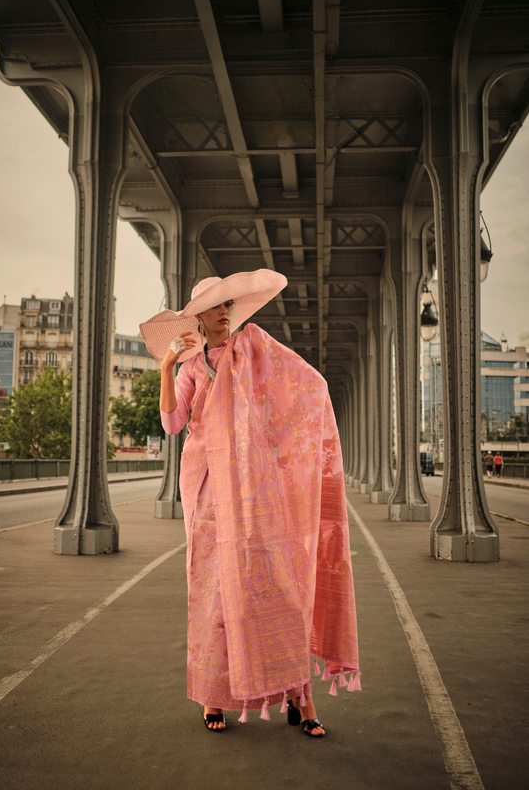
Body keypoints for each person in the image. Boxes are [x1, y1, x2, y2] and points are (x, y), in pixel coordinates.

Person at [140, 270, 360, 737]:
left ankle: (301, 699)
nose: (225, 312)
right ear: (197, 315)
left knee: (278, 585)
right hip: (208, 492)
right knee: (214, 594)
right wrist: (166, 368)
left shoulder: (258, 352)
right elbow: (172, 424)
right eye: (216, 306)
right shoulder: (191, 368)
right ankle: (213, 698)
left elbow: (308, 387)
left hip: (257, 492)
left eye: (228, 305)